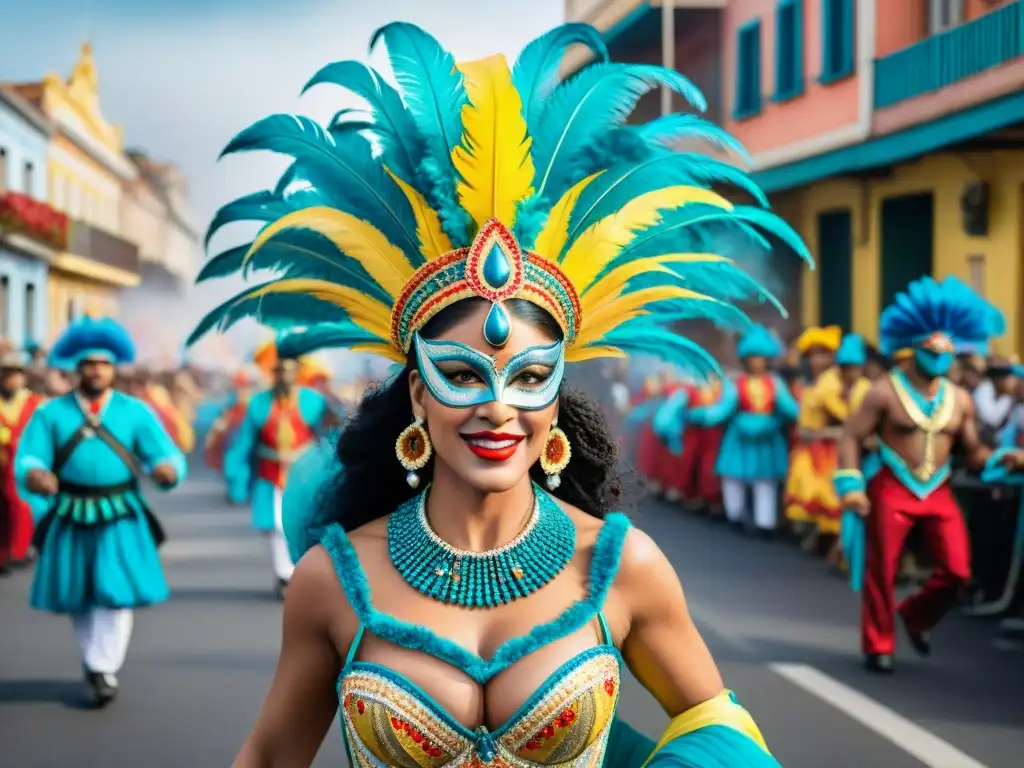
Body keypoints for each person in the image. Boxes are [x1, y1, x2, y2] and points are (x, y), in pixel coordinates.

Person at [186, 22, 810, 765]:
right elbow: (267, 757)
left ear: (555, 398)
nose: (498, 407)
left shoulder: (621, 566)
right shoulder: (334, 578)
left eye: (529, 378)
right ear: (418, 394)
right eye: (461, 375)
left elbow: (721, 735)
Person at [835, 277, 1024, 673]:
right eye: (931, 349)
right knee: (881, 570)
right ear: (913, 346)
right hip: (890, 486)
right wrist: (852, 484)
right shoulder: (884, 391)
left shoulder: (961, 399)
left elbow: (972, 452)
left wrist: (1006, 458)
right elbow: (851, 435)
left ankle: (916, 615)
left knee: (957, 569)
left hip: (938, 490)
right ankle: (878, 644)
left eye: (947, 350)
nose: (940, 356)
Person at [16, 317, 186, 705]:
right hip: (70, 510)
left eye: (104, 363)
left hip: (120, 510)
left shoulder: (136, 412)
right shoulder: (50, 413)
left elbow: (165, 453)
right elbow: (29, 456)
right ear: (77, 366)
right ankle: (95, 660)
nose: (96, 370)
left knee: (117, 591)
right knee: (79, 592)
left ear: (114, 367)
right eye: (89, 363)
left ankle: (103, 666)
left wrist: (168, 469)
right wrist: (35, 473)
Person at [223, 351, 329, 598]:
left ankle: (305, 572)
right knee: (277, 526)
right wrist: (235, 476)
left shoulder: (314, 401)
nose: (285, 377)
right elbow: (243, 443)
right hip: (270, 474)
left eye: (290, 371)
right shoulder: (259, 404)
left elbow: (329, 436)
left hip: (306, 475)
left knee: (306, 523)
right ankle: (284, 575)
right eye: (280, 371)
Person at [696, 326, 798, 536]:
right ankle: (734, 515)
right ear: (745, 358)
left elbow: (789, 407)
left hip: (767, 438)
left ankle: (765, 522)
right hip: (739, 437)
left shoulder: (775, 383)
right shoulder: (735, 383)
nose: (757, 362)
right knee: (733, 477)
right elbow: (723, 408)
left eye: (761, 357)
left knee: (766, 481)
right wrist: (703, 416)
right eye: (753, 357)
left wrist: (803, 415)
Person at [784, 325, 842, 551]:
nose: (818, 359)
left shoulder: (832, 383)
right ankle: (819, 539)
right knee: (807, 494)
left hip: (827, 450)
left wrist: (823, 434)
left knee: (826, 495)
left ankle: (832, 544)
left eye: (823, 353)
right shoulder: (810, 382)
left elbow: (847, 419)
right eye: (814, 354)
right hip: (808, 446)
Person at [0, 351, 46, 574]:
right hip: (2, 465)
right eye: (7, 374)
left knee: (24, 506)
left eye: (16, 374)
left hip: (24, 465)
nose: (11, 379)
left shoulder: (34, 403)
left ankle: (21, 548)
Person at [204, 365, 262, 476]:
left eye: (246, 387)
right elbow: (214, 437)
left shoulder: (258, 411)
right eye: (240, 387)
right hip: (235, 463)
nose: (243, 391)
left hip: (255, 464)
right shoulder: (228, 412)